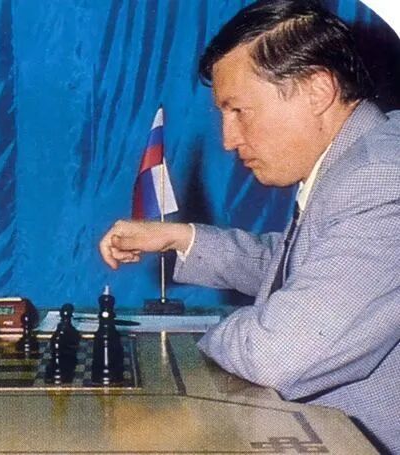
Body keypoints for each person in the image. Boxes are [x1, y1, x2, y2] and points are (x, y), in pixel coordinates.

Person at [99, 0, 399, 452]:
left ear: (318, 90)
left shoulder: (381, 179)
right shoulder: (361, 158)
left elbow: (276, 353)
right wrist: (183, 237)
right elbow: (308, 263)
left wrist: (201, 334)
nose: (228, 139)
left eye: (239, 110)